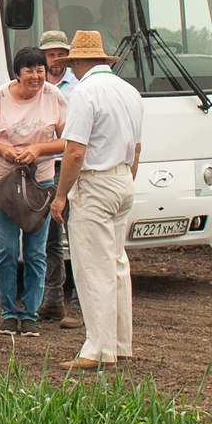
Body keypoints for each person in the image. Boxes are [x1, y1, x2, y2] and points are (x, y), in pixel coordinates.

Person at [55, 29, 146, 372]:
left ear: (78, 61)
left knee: (92, 267)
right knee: (117, 264)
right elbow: (136, 148)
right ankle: (121, 344)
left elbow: (75, 152)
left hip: (95, 182)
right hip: (123, 178)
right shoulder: (130, 91)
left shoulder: (84, 92)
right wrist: (124, 181)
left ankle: (97, 348)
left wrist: (61, 195)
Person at [0, 46, 70, 334]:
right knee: (8, 249)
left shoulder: (55, 97)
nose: (36, 76)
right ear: (17, 73)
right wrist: (2, 149)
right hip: (5, 183)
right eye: (29, 70)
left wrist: (39, 148)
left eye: (40, 70)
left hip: (40, 183)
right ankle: (8, 312)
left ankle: (29, 314)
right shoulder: (1, 97)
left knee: (36, 251)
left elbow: (68, 141)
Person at [36, 30, 82, 327]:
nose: (55, 59)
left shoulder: (78, 88)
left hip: (69, 165)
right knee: (50, 237)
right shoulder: (33, 86)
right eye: (50, 54)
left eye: (59, 53)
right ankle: (53, 296)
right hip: (43, 167)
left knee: (77, 232)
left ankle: (80, 297)